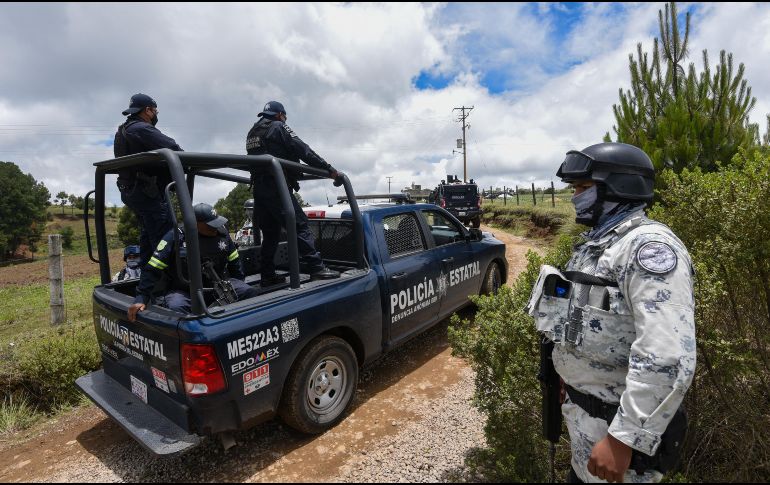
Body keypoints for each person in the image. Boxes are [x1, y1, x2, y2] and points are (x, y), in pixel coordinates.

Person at [527, 142, 696, 483]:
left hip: (620, 446)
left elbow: (666, 356)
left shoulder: (648, 249)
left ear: (618, 186)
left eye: (583, 188)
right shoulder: (596, 248)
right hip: (584, 429)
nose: (575, 197)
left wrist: (623, 439)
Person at [245, 100, 342, 286]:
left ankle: (267, 275)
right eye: (284, 117)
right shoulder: (279, 127)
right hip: (276, 186)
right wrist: (329, 169)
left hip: (259, 188)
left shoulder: (252, 132)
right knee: (300, 225)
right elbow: (303, 150)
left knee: (271, 234)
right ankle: (317, 268)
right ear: (280, 115)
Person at [127, 203, 258, 321]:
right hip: (185, 292)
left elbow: (235, 264)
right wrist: (141, 298)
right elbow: (152, 269)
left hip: (218, 286)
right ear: (194, 224)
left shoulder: (222, 235)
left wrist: (236, 283)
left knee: (248, 291)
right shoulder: (175, 237)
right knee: (176, 306)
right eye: (210, 225)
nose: (216, 228)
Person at [114, 93, 183, 266]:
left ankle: (148, 280)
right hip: (147, 193)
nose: (156, 114)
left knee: (148, 237)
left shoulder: (123, 130)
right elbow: (172, 147)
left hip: (134, 192)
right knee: (165, 240)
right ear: (147, 110)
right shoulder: (141, 129)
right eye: (155, 111)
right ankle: (167, 284)